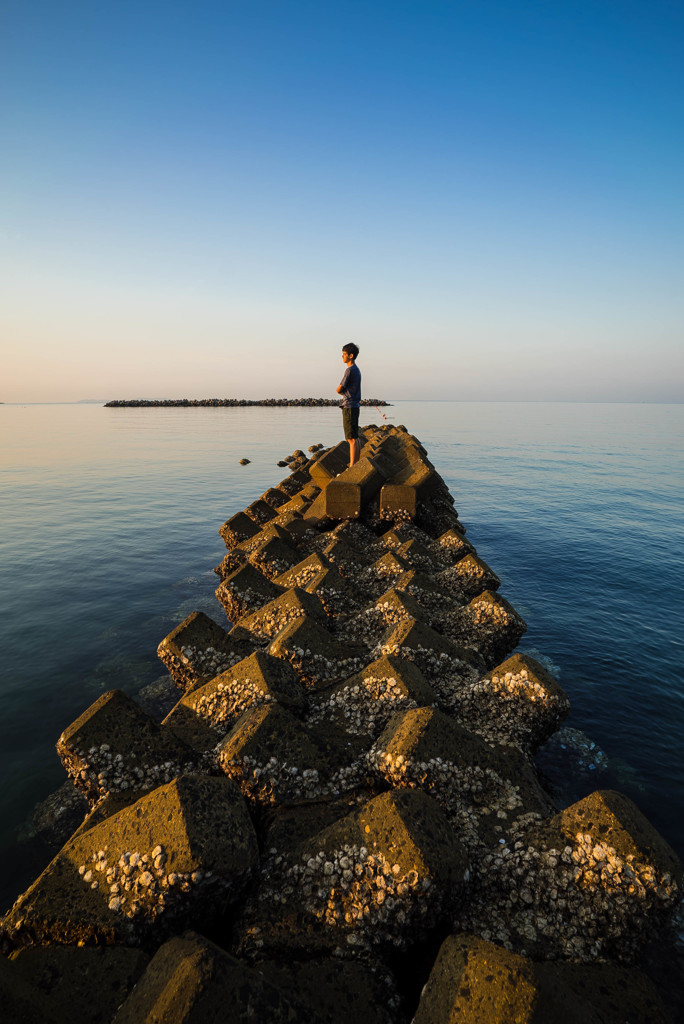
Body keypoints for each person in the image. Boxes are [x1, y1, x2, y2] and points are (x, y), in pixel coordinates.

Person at [336, 343, 361, 467]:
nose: (342, 356)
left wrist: (339, 391)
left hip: (349, 406)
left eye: (344, 354)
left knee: (351, 438)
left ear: (351, 356)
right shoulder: (357, 370)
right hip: (355, 405)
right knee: (355, 437)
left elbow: (340, 388)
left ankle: (352, 465)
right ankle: (355, 463)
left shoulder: (349, 370)